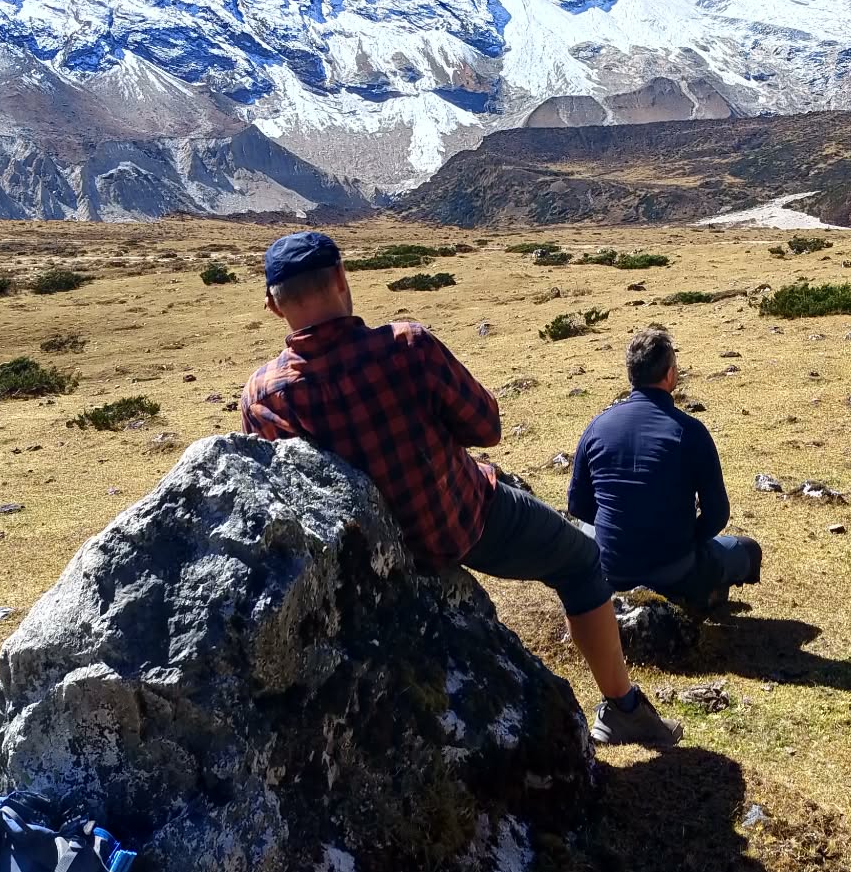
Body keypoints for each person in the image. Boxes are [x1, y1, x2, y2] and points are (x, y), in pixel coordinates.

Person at [240, 231, 680, 750]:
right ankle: (623, 707)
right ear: (340, 277)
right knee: (582, 559)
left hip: (369, 562)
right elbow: (486, 426)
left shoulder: (262, 398)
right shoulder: (408, 346)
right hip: (464, 520)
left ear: (273, 305)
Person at [568, 326, 762, 608]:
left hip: (611, 569)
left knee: (585, 531)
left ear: (631, 374)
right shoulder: (690, 431)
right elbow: (717, 514)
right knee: (747, 550)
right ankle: (703, 596)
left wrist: (620, 529)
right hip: (674, 568)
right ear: (670, 374)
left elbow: (577, 506)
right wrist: (685, 538)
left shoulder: (597, 427)